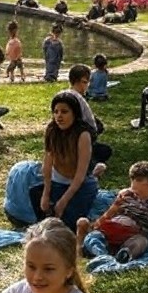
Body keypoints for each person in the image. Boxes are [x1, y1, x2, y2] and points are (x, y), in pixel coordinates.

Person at [77, 161, 148, 264]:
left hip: (131, 235)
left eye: (139, 180)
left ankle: (125, 254)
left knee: (142, 241)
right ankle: (101, 255)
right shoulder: (126, 197)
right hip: (109, 231)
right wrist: (103, 219)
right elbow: (109, 214)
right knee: (94, 236)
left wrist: (141, 219)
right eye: (133, 180)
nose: (134, 185)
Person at [41, 91, 98, 231]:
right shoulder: (52, 131)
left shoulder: (83, 134)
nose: (59, 116)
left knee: (69, 223)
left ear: (74, 113)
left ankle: (96, 174)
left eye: (64, 112)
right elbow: (47, 164)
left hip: (80, 185)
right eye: (56, 112)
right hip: (58, 182)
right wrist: (46, 193)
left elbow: (80, 175)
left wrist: (64, 200)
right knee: (46, 214)